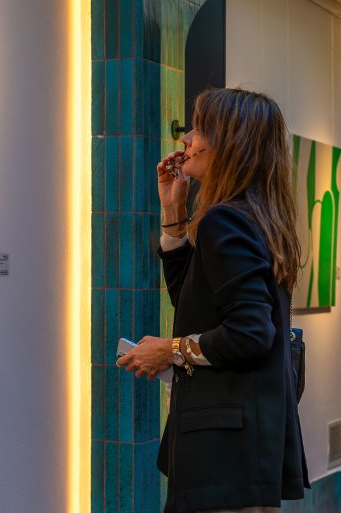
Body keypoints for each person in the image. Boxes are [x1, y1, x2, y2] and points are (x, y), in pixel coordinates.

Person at [116, 88, 310, 513]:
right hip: (242, 452)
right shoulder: (256, 216)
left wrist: (168, 350)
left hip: (222, 457)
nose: (186, 139)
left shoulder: (225, 219)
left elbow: (250, 333)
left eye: (199, 129)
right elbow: (196, 305)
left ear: (229, 144)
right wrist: (174, 212)